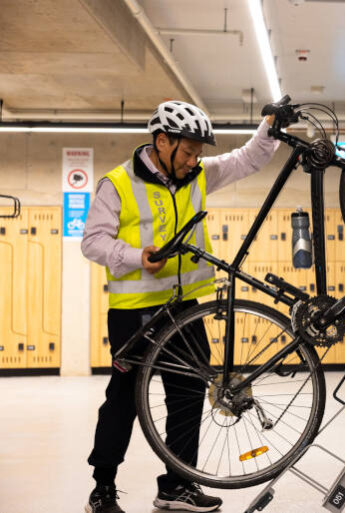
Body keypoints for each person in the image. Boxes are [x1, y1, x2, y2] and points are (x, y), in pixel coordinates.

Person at [82, 100, 279, 513]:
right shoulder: (116, 184)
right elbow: (93, 242)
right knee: (125, 400)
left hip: (184, 310)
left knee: (188, 395)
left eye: (198, 154)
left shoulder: (197, 175)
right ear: (162, 142)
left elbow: (247, 159)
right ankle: (102, 487)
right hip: (134, 313)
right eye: (187, 152)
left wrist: (270, 126)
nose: (194, 161)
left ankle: (176, 487)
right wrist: (138, 256)